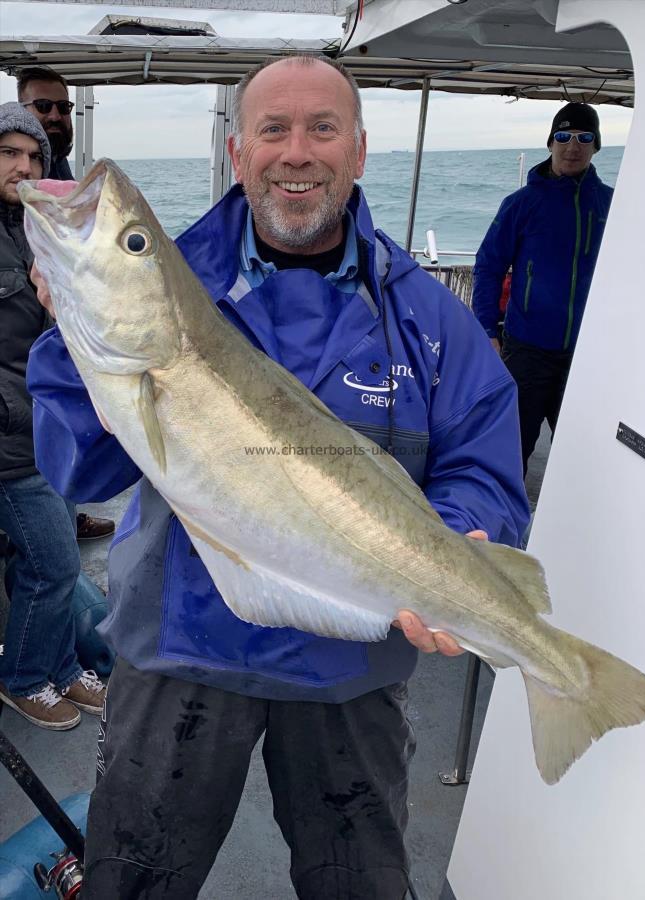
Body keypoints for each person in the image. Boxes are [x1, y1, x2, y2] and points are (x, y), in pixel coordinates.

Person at [28, 56, 529, 899]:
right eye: (273, 130)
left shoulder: (431, 320)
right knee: (133, 880)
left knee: (359, 884)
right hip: (181, 646)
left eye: (322, 129)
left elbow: (483, 464)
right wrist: (77, 336)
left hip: (351, 664)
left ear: (360, 151)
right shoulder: (171, 284)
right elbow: (78, 465)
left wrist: (462, 536)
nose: (297, 151)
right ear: (238, 149)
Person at [0, 102, 106, 729]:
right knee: (53, 564)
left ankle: (63, 667)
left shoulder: (36, 226)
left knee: (54, 555)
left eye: (34, 156)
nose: (24, 167)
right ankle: (23, 677)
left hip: (50, 431)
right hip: (12, 440)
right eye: (10, 153)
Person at [472, 102, 614, 474]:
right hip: (527, 351)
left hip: (589, 355)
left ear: (596, 146)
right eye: (564, 137)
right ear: (551, 142)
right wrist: (487, 329)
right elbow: (488, 267)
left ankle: (578, 527)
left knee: (585, 457)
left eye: (585, 138)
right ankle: (505, 528)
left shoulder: (612, 204)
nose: (573, 146)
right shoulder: (522, 204)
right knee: (510, 451)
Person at [17, 65, 115, 542]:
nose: (57, 116)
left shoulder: (65, 185)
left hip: (62, 372)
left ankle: (68, 519)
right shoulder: (22, 198)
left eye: (64, 108)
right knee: (50, 563)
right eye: (43, 107)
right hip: (20, 393)